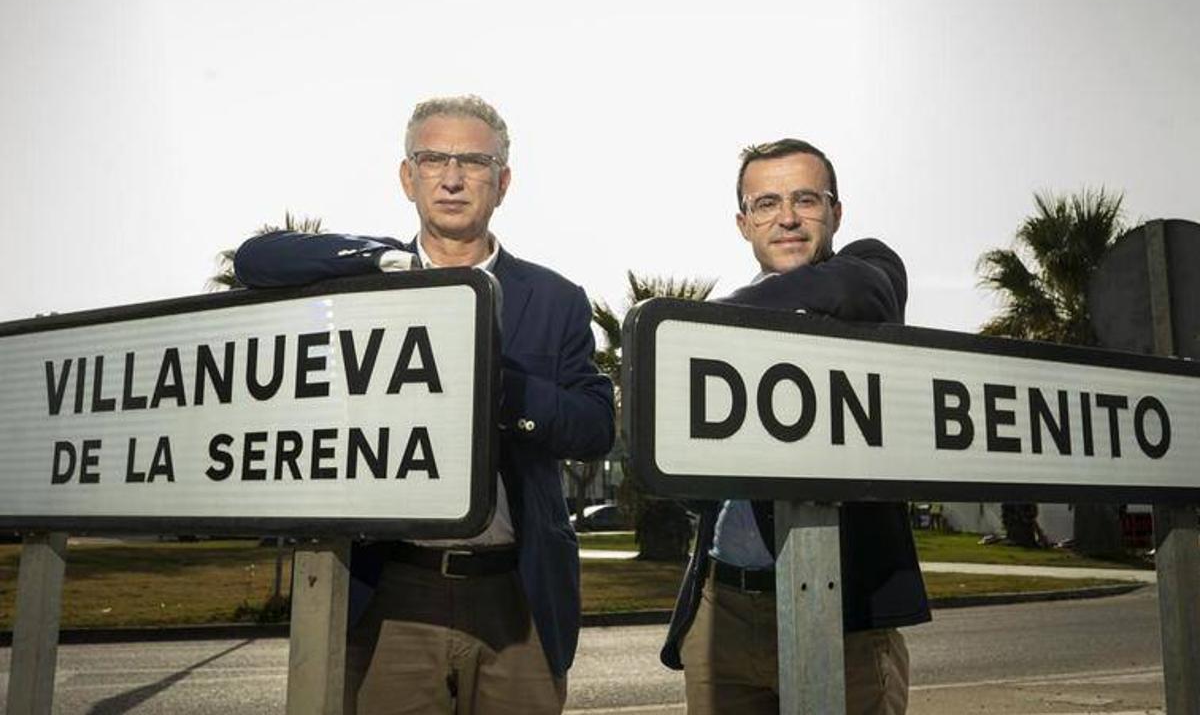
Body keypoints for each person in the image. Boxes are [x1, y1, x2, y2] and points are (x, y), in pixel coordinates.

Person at [234, 94, 615, 714]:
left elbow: (595, 425)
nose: (454, 177)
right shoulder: (366, 280)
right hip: (393, 589)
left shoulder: (555, 298)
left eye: (474, 161)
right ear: (408, 176)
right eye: (434, 158)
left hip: (517, 594)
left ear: (503, 182)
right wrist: (384, 261)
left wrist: (496, 386)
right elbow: (257, 260)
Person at [660, 138, 931, 714]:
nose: (786, 217)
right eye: (766, 204)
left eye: (805, 199)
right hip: (723, 609)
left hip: (844, 612)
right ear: (743, 222)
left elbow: (850, 288)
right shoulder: (715, 341)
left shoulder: (865, 269)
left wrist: (697, 323)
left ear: (835, 212)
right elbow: (687, 479)